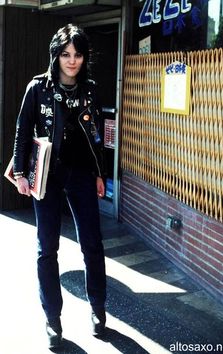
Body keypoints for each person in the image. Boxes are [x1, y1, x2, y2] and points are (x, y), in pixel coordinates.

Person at [12, 23, 107, 349]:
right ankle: (52, 319)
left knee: (92, 244)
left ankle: (98, 308)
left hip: (81, 174)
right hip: (48, 176)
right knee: (46, 249)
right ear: (56, 55)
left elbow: (96, 137)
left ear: (84, 57)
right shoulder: (37, 88)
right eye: (66, 54)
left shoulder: (91, 89)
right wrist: (22, 173)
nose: (72, 60)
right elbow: (22, 131)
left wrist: (99, 173)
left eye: (78, 54)